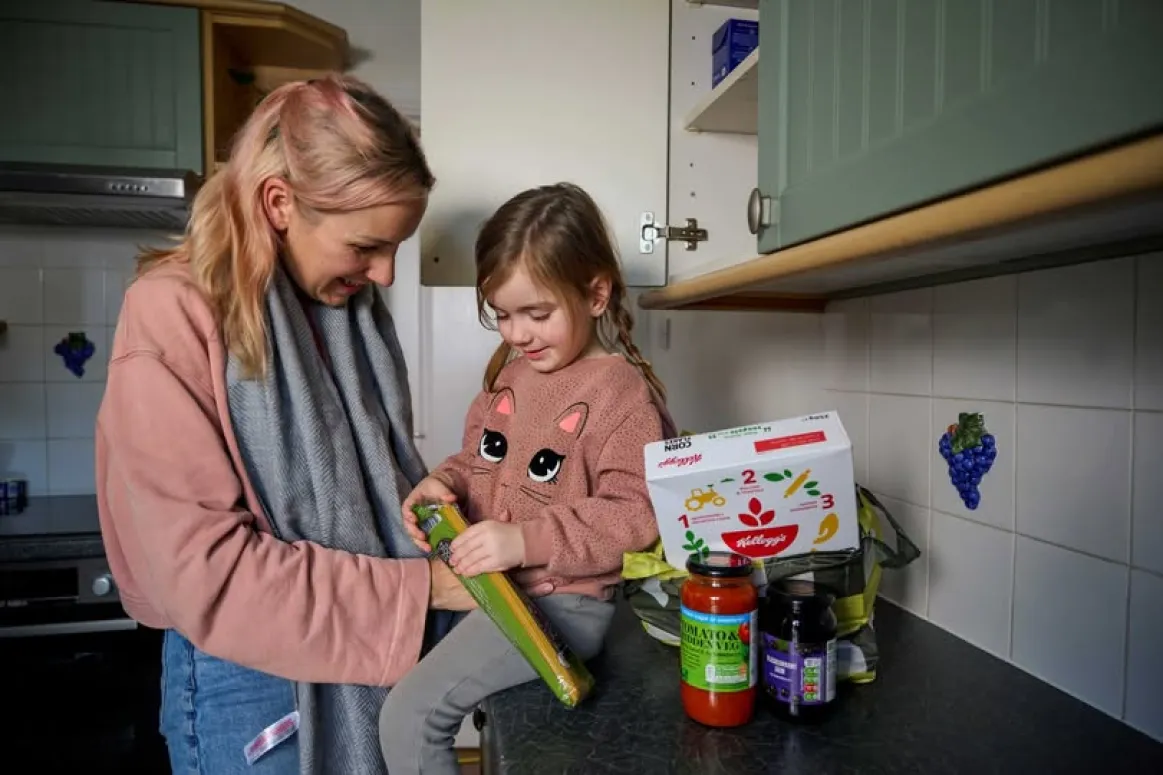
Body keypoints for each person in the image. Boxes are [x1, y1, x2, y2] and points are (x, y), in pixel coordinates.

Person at [95, 74, 549, 775]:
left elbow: (370, 488)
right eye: (365, 245)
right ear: (279, 204)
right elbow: (208, 576)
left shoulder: (342, 312)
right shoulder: (170, 314)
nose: (386, 274)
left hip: (360, 639)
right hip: (244, 675)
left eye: (395, 246)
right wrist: (426, 586)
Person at [378, 182, 678, 774]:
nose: (517, 333)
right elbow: (479, 461)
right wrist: (442, 482)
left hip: (561, 606)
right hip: (497, 593)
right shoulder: (511, 376)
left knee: (409, 717)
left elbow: (636, 511)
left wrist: (525, 541)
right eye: (504, 315)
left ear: (596, 293)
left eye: (536, 314)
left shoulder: (619, 393)